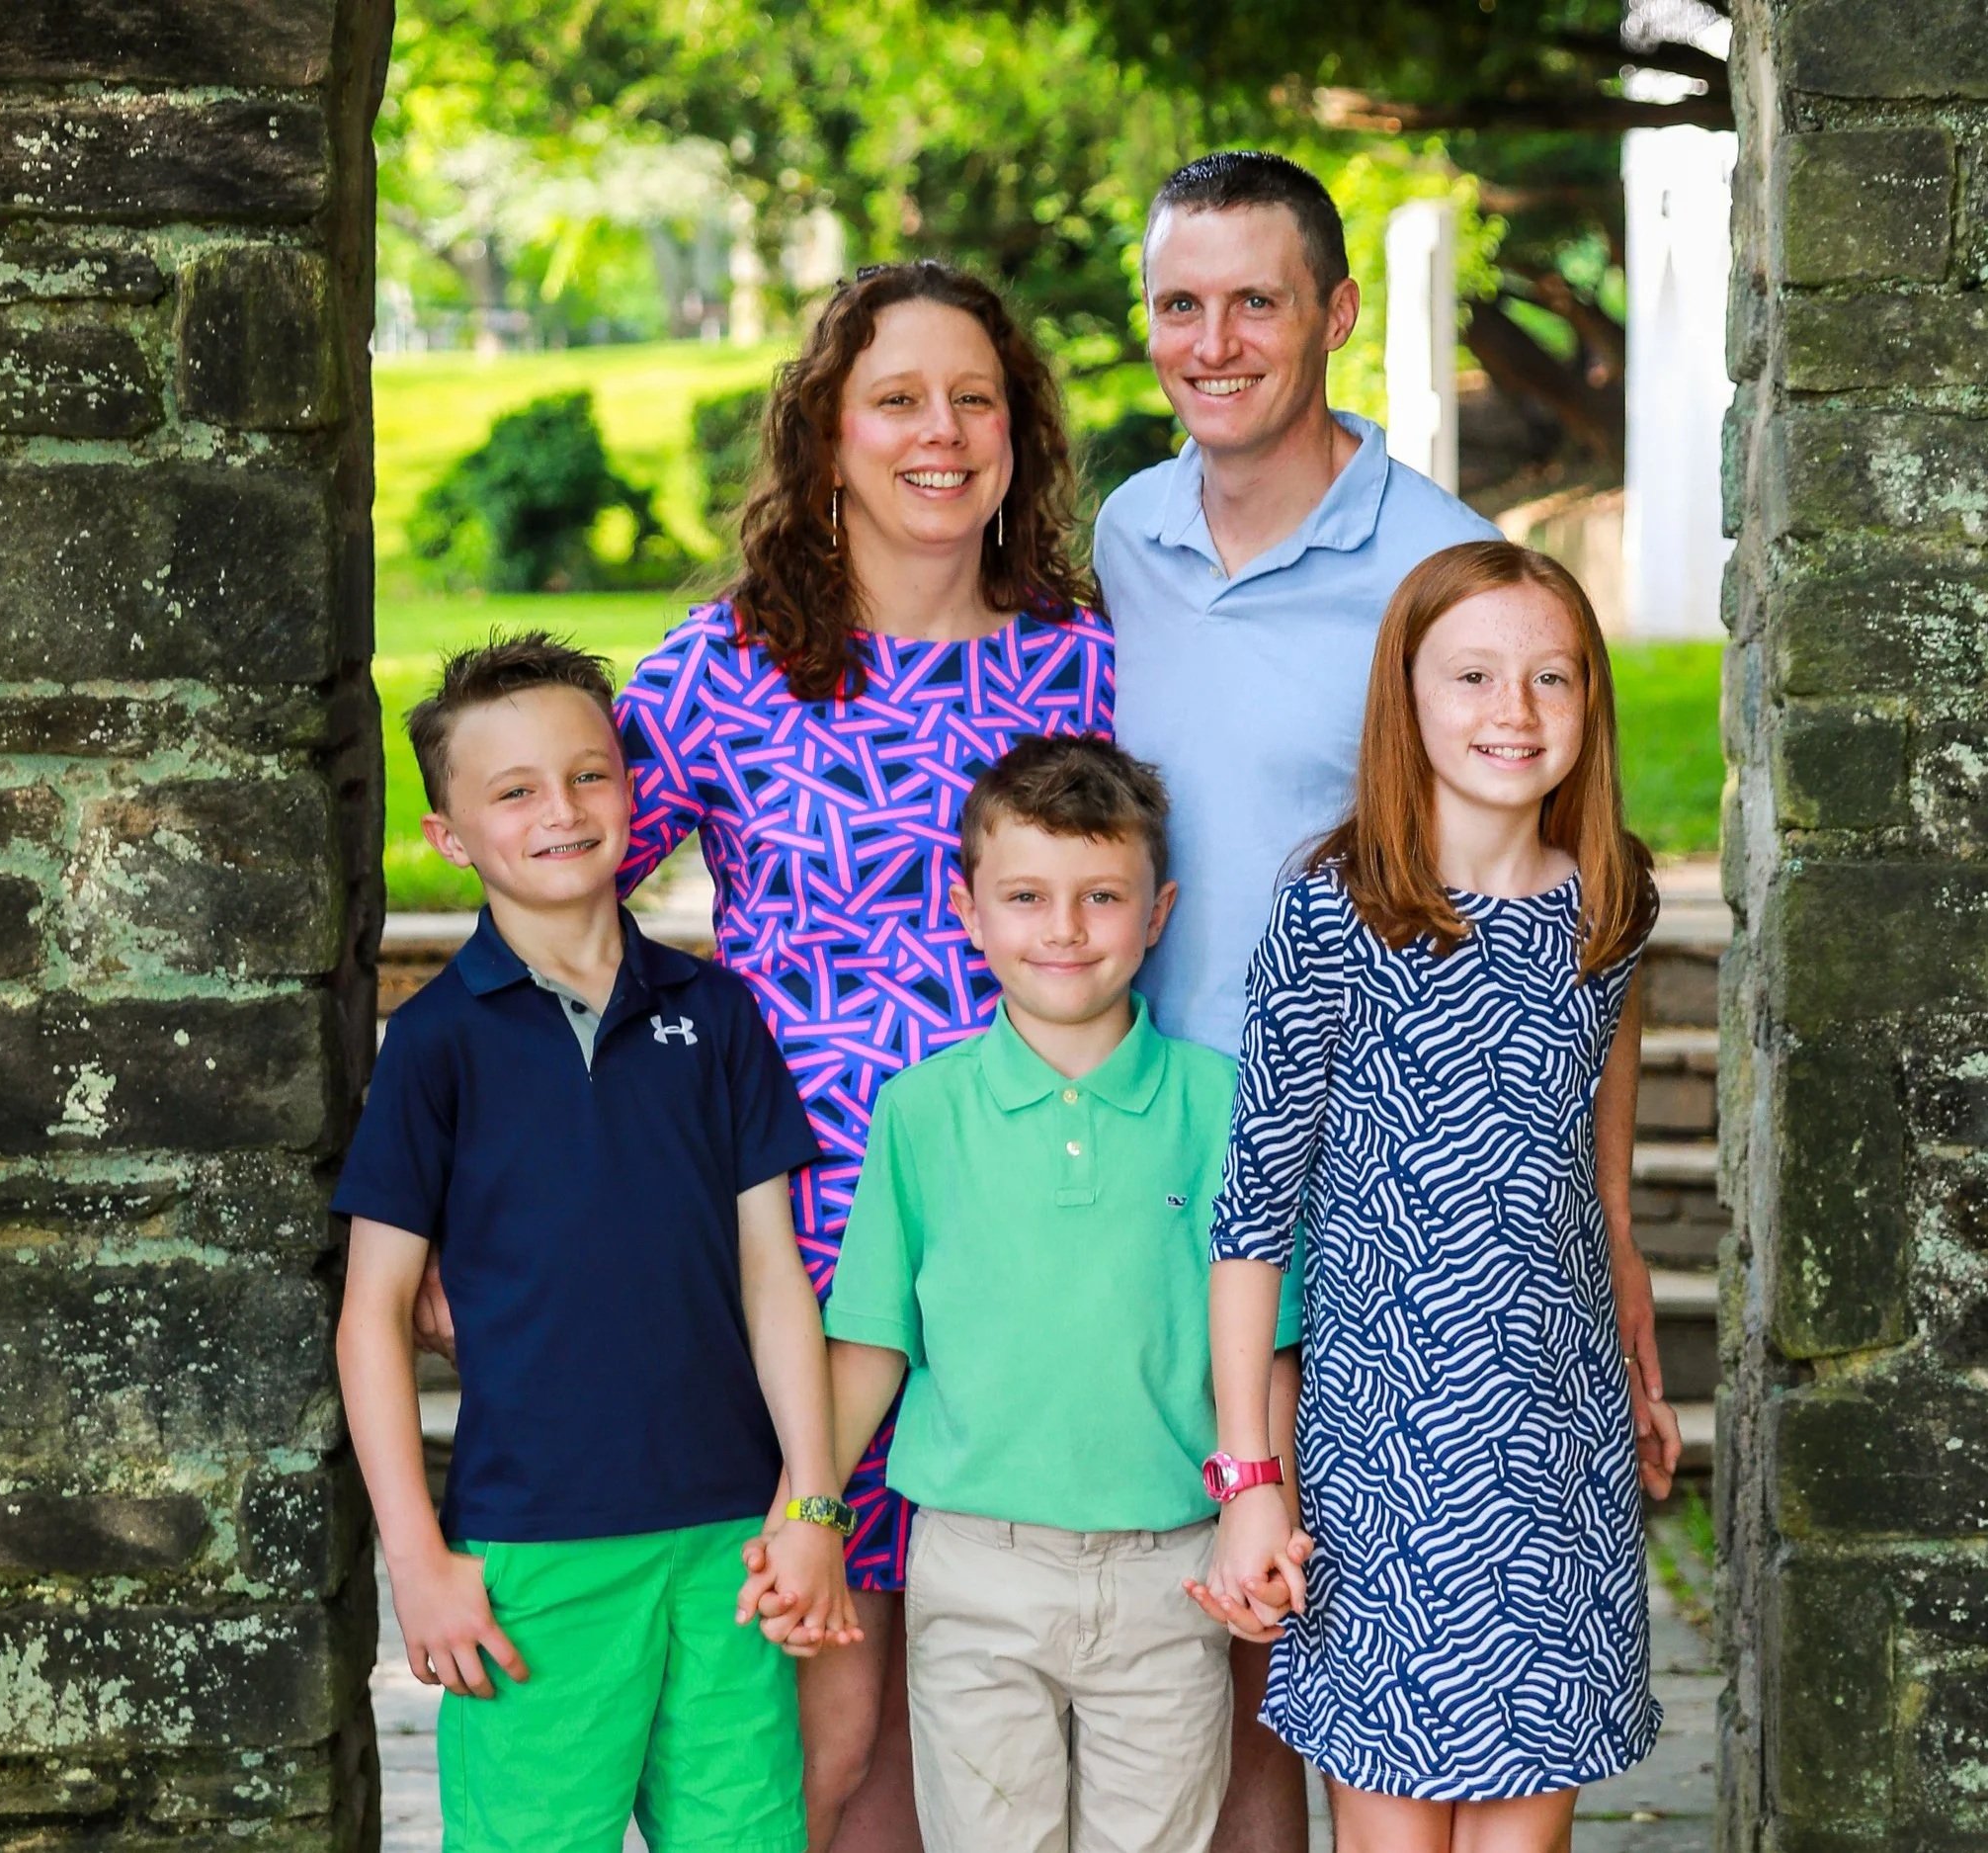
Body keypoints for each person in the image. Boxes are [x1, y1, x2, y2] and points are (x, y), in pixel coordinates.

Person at [424, 261, 1112, 1851]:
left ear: (1018, 432)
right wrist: (468, 1202)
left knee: (1001, 1696)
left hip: (1039, 1235)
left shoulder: (1086, 657)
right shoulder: (726, 669)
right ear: (826, 438)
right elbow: (548, 900)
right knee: (824, 1716)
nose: (941, 434)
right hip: (802, 1249)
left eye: (975, 399)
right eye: (897, 400)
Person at [1096, 151, 1646, 1853]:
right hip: (1186, 1132)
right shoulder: (1130, 529)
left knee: (1359, 1663)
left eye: (1257, 298)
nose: (1217, 338)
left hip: (1430, 1240)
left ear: (1332, 314)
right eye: (1180, 303)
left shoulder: (1449, 569)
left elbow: (1588, 1081)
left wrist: (1624, 1307)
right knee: (1218, 1639)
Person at [336, 634, 856, 1853]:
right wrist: (415, 1561)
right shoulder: (436, 1047)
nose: (561, 811)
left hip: (733, 1549)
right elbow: (373, 1316)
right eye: (512, 791)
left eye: (589, 775)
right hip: (534, 1555)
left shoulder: (716, 1015)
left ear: (632, 790)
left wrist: (811, 1507)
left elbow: (772, 1273)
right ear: (450, 836)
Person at [1202, 542, 1684, 1852]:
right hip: (1387, 1462)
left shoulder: (1611, 904)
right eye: (1472, 675)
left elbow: (1595, 1155)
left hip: (1559, 1451)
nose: (1512, 713)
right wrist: (1252, 1474)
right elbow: (1250, 1221)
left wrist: (1633, 1355)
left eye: (1551, 677)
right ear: (1404, 696)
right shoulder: (1331, 916)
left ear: (1590, 700)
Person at [803, 734, 1302, 1853]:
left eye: (1101, 897)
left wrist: (1259, 1501)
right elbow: (874, 1336)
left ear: (1158, 912)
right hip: (977, 1562)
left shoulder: (1220, 1103)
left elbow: (1268, 1337)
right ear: (970, 910)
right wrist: (808, 1508)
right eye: (1025, 896)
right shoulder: (922, 1112)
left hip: (1170, 1561)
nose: (1065, 929)